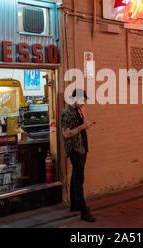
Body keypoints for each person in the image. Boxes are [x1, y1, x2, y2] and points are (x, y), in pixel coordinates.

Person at [61, 89, 96, 222]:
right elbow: (66, 133)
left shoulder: (78, 111)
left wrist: (84, 119)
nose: (84, 102)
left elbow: (82, 125)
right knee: (79, 178)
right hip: (75, 149)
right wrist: (83, 126)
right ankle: (84, 211)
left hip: (82, 147)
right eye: (82, 100)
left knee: (76, 176)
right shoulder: (67, 113)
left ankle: (75, 204)